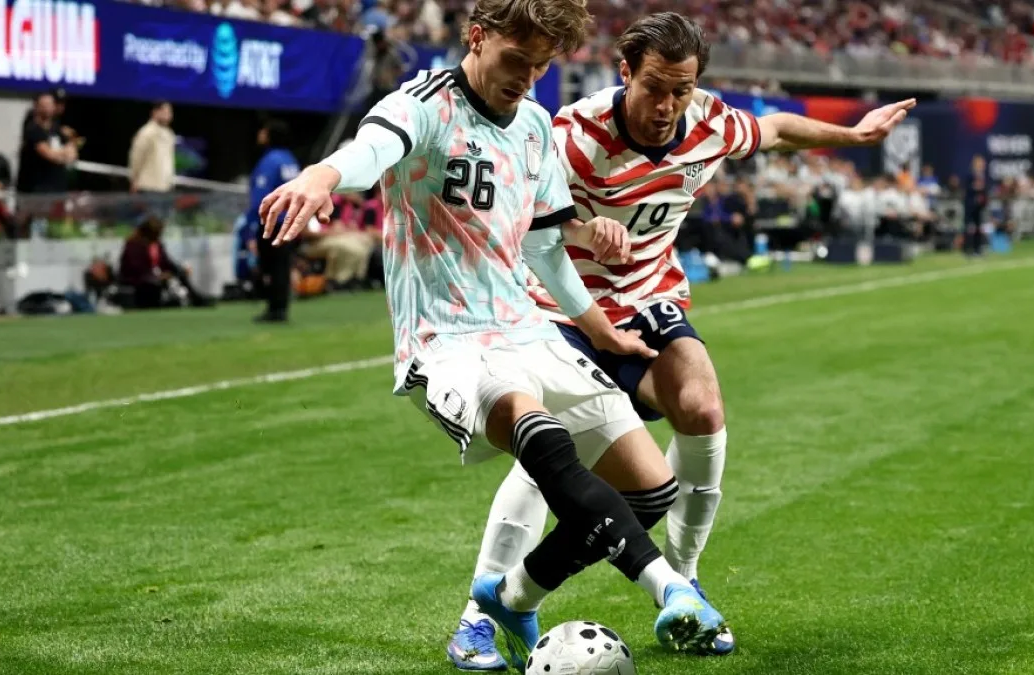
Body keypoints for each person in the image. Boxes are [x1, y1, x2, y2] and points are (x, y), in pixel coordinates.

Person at [257, 0, 730, 670]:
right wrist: (322, 174)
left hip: (528, 329)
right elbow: (371, 150)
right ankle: (670, 589)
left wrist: (601, 331)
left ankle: (509, 598)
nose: (528, 78)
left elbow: (545, 251)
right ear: (477, 36)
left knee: (651, 489)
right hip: (448, 342)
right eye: (517, 60)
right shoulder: (423, 105)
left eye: (541, 66)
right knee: (542, 438)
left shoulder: (534, 126)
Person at [449, 11, 916, 668]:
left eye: (682, 89)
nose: (667, 105)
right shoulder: (573, 136)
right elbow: (513, 214)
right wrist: (581, 229)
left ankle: (685, 582)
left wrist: (855, 135)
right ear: (625, 74)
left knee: (702, 406)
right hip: (562, 309)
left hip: (648, 301)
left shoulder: (710, 122)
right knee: (549, 454)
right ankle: (477, 617)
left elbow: (777, 130)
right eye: (655, 88)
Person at [251, 119, 301, 323]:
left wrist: (254, 223)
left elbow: (260, 195)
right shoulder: (290, 160)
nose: (260, 134)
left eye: (264, 131)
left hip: (272, 220)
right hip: (290, 219)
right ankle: (280, 306)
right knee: (282, 264)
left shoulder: (270, 161)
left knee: (271, 266)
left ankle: (275, 308)